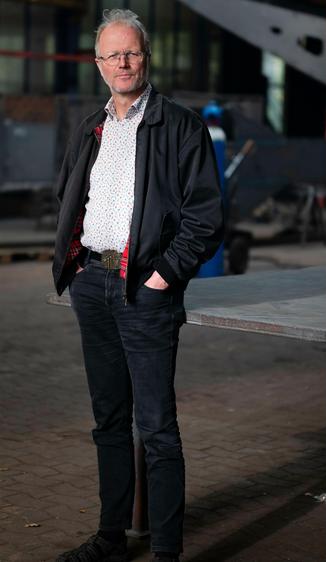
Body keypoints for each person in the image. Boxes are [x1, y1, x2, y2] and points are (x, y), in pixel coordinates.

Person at [51, 9, 223, 562]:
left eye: (132, 52)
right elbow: (69, 196)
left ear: (145, 58)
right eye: (112, 55)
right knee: (108, 421)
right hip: (92, 285)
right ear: (99, 65)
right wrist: (75, 264)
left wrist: (160, 276)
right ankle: (110, 537)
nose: (123, 63)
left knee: (156, 429)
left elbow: (206, 217)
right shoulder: (90, 126)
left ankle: (167, 551)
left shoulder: (180, 125)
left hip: (144, 291)